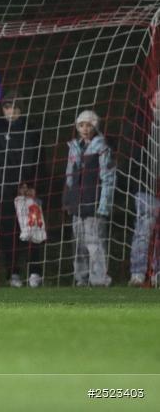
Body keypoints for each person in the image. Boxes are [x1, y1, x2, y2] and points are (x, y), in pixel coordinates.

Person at [0, 92, 43, 288]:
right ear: (3, 110)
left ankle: (35, 272)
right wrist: (10, 185)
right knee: (9, 233)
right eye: (8, 107)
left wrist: (31, 183)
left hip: (29, 190)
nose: (12, 112)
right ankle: (13, 273)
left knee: (34, 230)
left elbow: (38, 160)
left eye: (16, 108)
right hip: (6, 190)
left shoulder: (32, 130)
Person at [63, 110, 115, 287]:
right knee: (78, 244)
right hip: (77, 201)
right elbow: (69, 177)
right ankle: (81, 278)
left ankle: (99, 279)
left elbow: (108, 178)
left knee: (95, 243)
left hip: (93, 202)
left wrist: (104, 205)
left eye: (89, 125)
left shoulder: (101, 148)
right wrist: (68, 200)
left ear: (95, 126)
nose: (85, 129)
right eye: (81, 125)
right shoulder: (74, 147)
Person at [129, 85, 159, 286]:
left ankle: (157, 271)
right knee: (143, 229)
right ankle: (138, 273)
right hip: (145, 188)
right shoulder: (141, 123)